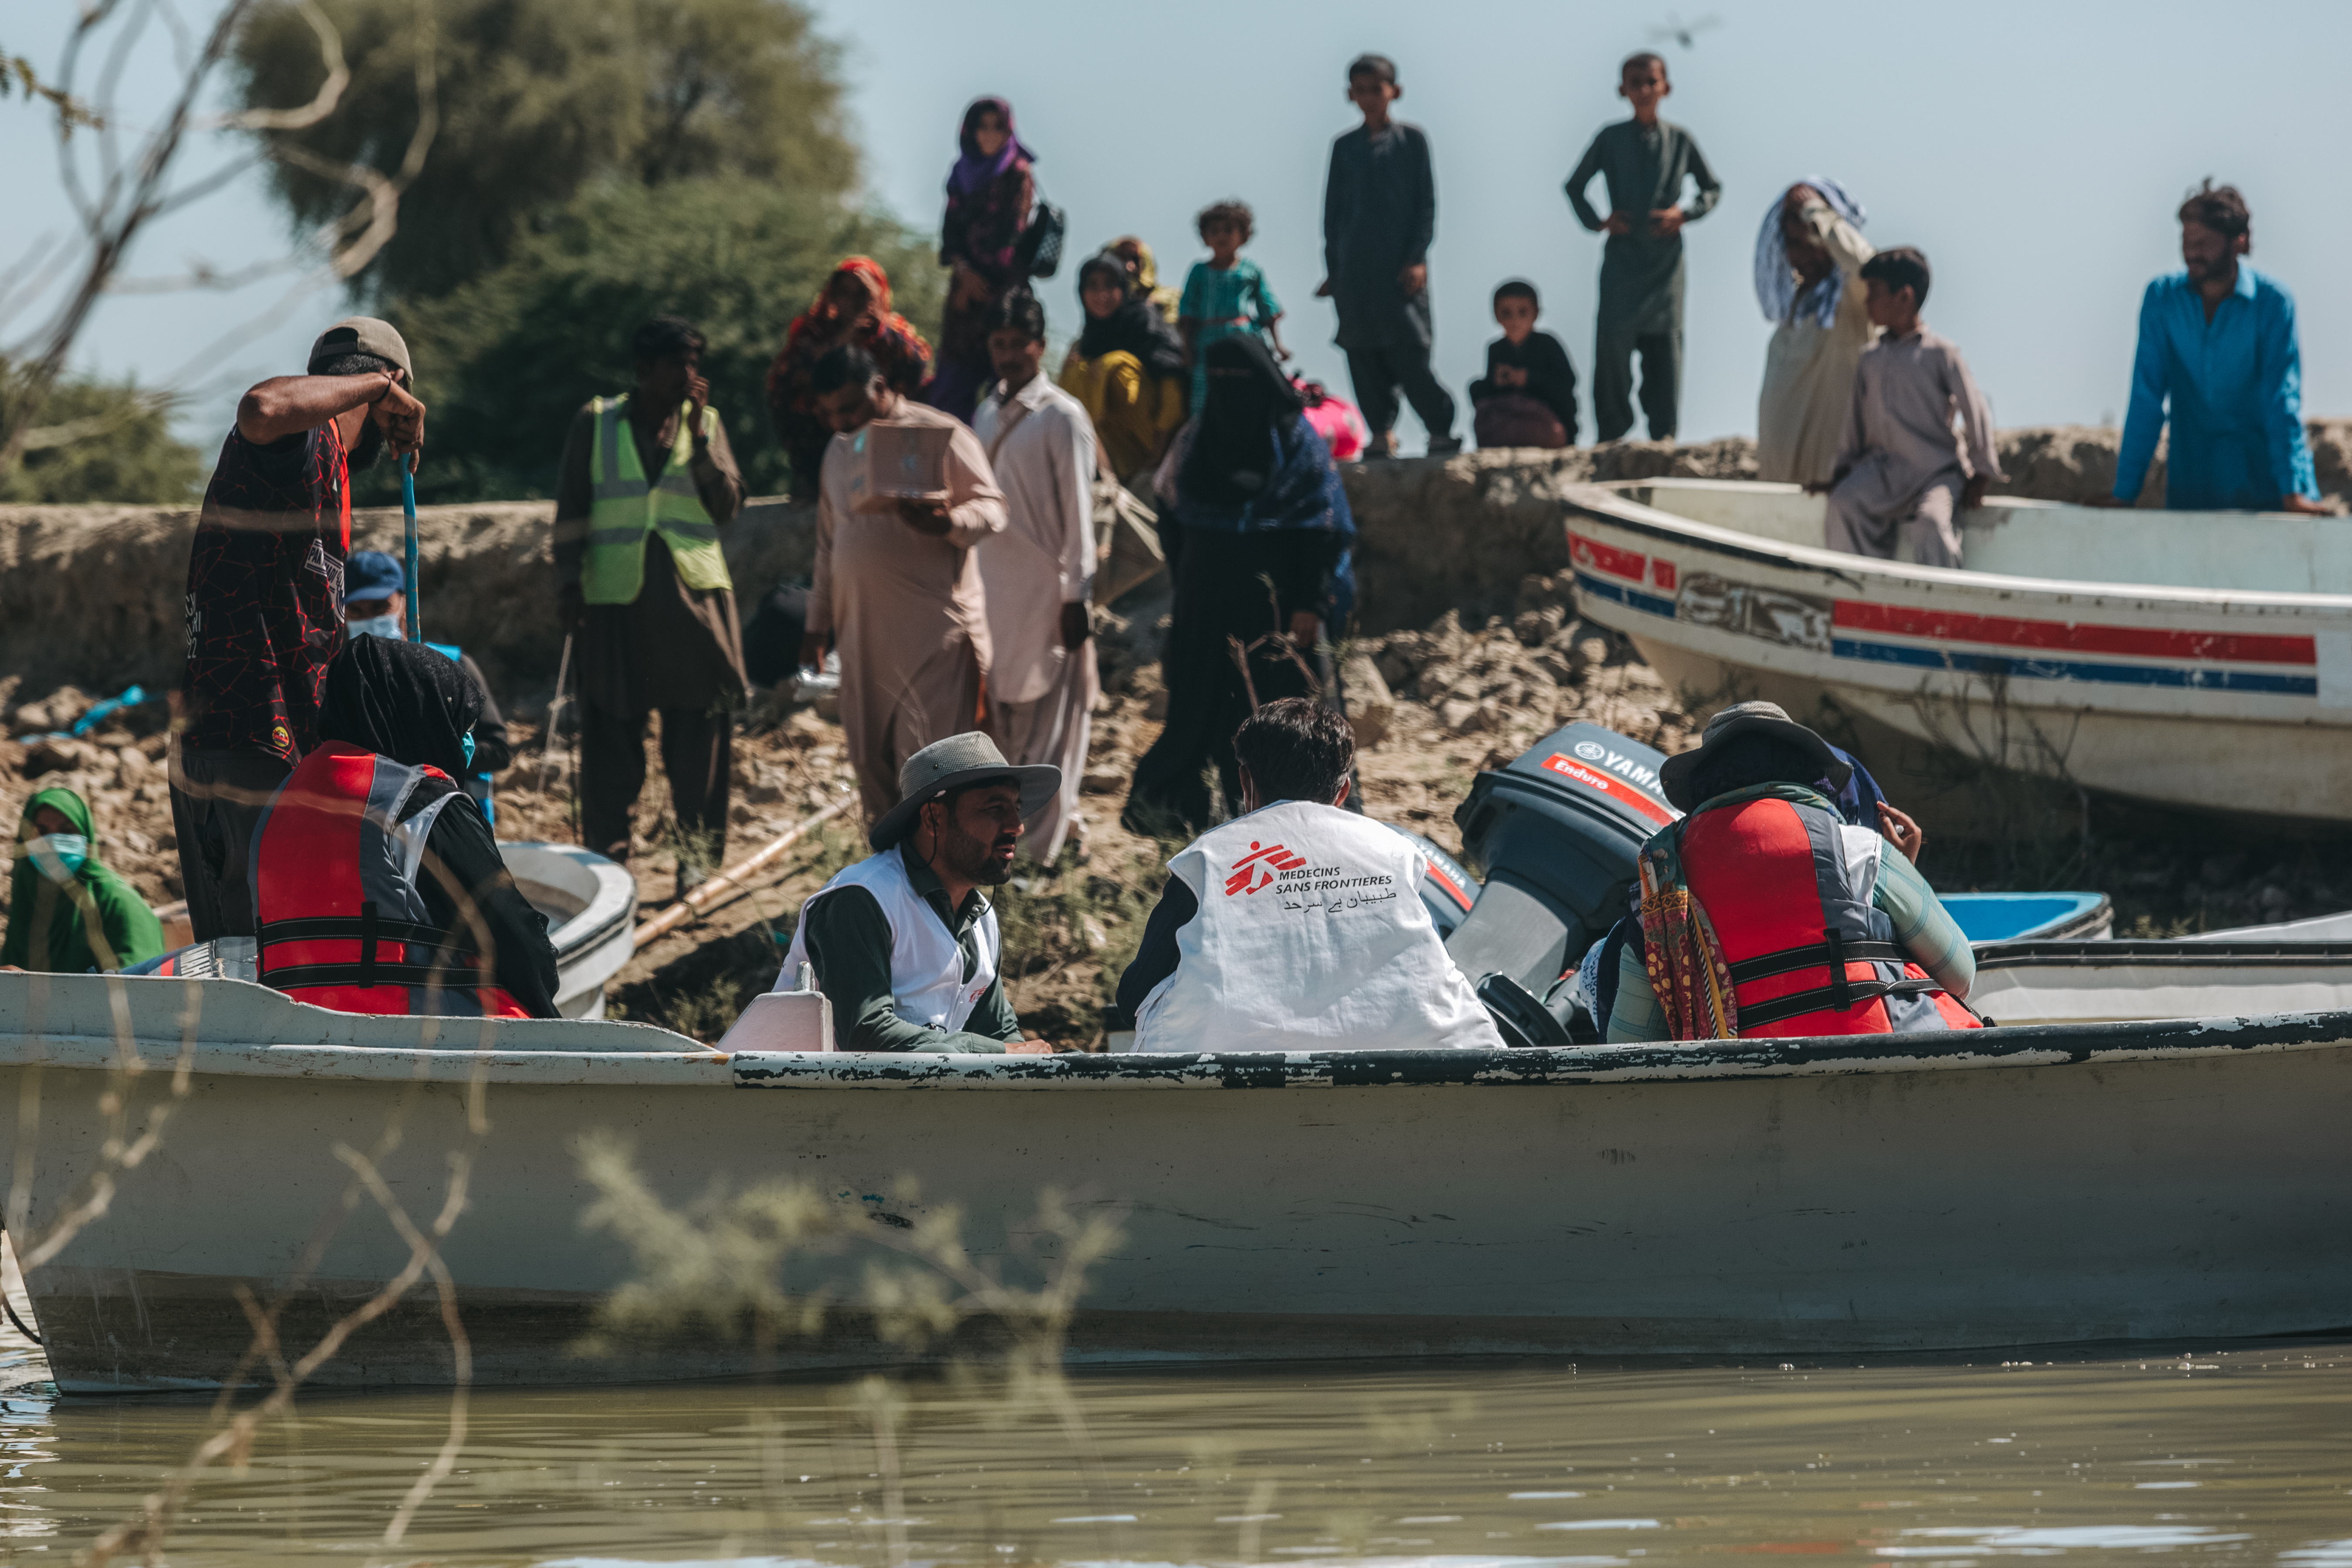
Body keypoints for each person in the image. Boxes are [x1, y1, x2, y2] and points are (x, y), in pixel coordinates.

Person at [173, 316, 426, 943]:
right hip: (251, 735)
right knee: (268, 947)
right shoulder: (303, 442)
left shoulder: (329, 469)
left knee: (242, 947)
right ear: (382, 388)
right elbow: (261, 407)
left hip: (241, 739)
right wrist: (375, 387)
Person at [1117, 699, 1500, 1052]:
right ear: (1343, 792)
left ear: (1246, 782)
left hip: (1229, 1090)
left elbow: (1136, 993)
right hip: (1417, 1071)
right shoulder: (1395, 850)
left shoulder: (1207, 858)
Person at [1606, 702, 1977, 1044]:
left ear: (1702, 784)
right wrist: (1901, 875)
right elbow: (1960, 974)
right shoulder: (1859, 848)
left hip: (1742, 1095)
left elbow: (1629, 1040)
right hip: (1882, 1072)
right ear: (1807, 770)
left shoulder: (1661, 879)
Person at [249, 636, 560, 1018]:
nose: (463, 741)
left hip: (300, 1037)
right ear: (419, 716)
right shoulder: (420, 802)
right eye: (457, 724)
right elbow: (517, 943)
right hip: (417, 1042)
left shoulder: (278, 805)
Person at [1123, 336, 1355, 835]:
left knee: (1287, 720)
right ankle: (1182, 820)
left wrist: (1312, 604)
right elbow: (1170, 508)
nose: (1230, 390)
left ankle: (1307, 825)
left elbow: (1325, 525)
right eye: (1219, 377)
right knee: (1200, 711)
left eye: (1240, 378)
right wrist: (1190, 576)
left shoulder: (1294, 441)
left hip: (1277, 615)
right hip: (1205, 609)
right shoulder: (1196, 439)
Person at [554, 315, 749, 897]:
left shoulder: (707, 425)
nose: (690, 376)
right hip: (615, 604)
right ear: (644, 372)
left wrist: (700, 439)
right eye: (676, 365)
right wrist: (568, 585)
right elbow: (572, 509)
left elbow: (729, 505)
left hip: (695, 606)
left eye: (695, 364)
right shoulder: (597, 423)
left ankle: (695, 861)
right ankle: (610, 871)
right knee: (611, 737)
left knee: (698, 740)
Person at [802, 343, 1009, 826]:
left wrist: (948, 522)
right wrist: (816, 624)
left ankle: (946, 890)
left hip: (933, 638)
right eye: (829, 412)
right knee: (872, 767)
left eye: (850, 407)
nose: (840, 421)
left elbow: (994, 510)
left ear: (881, 387)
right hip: (862, 640)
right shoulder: (837, 450)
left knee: (934, 774)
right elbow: (828, 545)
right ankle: (893, 891)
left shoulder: (938, 433)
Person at [777, 733, 1058, 1053]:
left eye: (1016, 808)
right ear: (933, 817)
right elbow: (866, 1035)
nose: (1016, 826)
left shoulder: (982, 918)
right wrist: (999, 1054)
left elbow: (998, 1030)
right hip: (783, 1100)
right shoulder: (859, 899)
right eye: (995, 809)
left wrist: (1031, 1060)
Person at [2105, 182, 2323, 514]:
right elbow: (2146, 399)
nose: (2192, 253)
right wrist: (2124, 493)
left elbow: (2281, 399)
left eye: (2203, 243)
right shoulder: (2162, 300)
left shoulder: (2273, 305)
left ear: (2239, 242)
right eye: (2186, 242)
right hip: (2194, 491)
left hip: (2270, 495)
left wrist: (2292, 491)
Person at [975, 292, 1099, 864]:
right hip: (995, 592)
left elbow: (1079, 512)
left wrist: (1078, 593)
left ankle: (1040, 854)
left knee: (1055, 724)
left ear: (1039, 346)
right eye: (997, 344)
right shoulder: (984, 414)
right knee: (1008, 722)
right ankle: (1042, 835)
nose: (1007, 356)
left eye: (1016, 345)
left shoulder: (1061, 415)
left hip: (1050, 592)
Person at [1564, 52, 1721, 443]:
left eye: (1651, 82)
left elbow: (1712, 188)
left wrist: (1685, 214)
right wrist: (1600, 221)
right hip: (1622, 258)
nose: (1645, 90)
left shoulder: (1680, 140)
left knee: (1666, 348)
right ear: (1623, 90)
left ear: (1666, 87)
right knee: (1614, 344)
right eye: (1636, 83)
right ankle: (1611, 435)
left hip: (1666, 262)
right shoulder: (1610, 138)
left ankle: (1663, 435)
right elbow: (1574, 186)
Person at [1814, 249, 2004, 568]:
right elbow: (1854, 423)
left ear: (1904, 297)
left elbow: (1975, 409)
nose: (1867, 302)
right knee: (1844, 504)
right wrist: (1841, 472)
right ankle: (1860, 593)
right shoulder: (1870, 359)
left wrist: (1981, 470)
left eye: (1875, 292)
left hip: (1935, 472)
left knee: (1932, 524)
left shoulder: (1941, 353)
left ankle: (1942, 606)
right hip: (1883, 472)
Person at [1317, 53, 1459, 458]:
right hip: (1355, 269)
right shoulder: (1343, 148)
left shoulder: (1412, 141)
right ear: (1350, 95)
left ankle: (1440, 429)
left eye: (1376, 89)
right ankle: (1379, 433)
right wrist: (1334, 269)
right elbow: (1332, 214)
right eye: (1360, 91)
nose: (1368, 98)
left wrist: (1417, 257)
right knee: (1362, 352)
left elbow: (1426, 204)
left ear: (1394, 91)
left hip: (1400, 269)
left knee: (1410, 349)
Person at [342, 548, 513, 822]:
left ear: (403, 603)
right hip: (380, 832)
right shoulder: (341, 682)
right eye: (356, 610)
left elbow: (498, 750)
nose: (370, 619)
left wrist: (435, 752)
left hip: (456, 825)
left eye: (380, 608)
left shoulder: (452, 666)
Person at [765, 257, 934, 501]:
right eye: (845, 293)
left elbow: (918, 369)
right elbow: (784, 378)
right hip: (823, 429)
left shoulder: (894, 334)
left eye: (863, 293)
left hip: (881, 425)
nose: (854, 301)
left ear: (879, 295)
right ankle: (811, 478)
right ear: (833, 296)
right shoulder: (814, 330)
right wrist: (839, 345)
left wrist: (882, 330)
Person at [1755, 179, 1875, 486]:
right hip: (1782, 490)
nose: (1806, 254)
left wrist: (1816, 213)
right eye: (1795, 244)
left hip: (1835, 488)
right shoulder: (1791, 314)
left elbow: (1866, 267)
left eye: (1815, 241)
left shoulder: (1852, 303)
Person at [933, 96, 1038, 422]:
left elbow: (1011, 235)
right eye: (983, 127)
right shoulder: (960, 174)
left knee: (1009, 390)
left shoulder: (1018, 174)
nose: (990, 134)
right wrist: (964, 274)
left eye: (998, 127)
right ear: (970, 132)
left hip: (1005, 293)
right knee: (950, 391)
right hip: (965, 296)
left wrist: (988, 287)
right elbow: (951, 233)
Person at [3, 789, 165, 974]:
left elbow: (145, 992)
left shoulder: (119, 903)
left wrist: (29, 988)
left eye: (67, 831)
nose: (53, 841)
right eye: (42, 831)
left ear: (86, 836)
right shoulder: (28, 903)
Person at [1060, 250, 1189, 483]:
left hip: (1156, 439)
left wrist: (1159, 453)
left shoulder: (1144, 319)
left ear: (1124, 287)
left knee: (1115, 364)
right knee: (1075, 369)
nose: (1101, 295)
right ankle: (1093, 461)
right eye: (1093, 286)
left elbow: (1173, 387)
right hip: (1113, 442)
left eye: (1110, 286)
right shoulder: (1091, 336)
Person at [1179, 200, 1288, 412]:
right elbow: (1188, 311)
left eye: (1229, 230)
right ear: (1205, 237)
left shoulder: (1251, 269)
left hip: (1244, 338)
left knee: (1247, 391)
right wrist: (1186, 347)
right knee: (1204, 394)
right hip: (1206, 341)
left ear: (1244, 235)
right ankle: (1204, 440)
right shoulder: (1199, 272)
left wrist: (1278, 345)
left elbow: (1267, 306)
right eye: (1215, 231)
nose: (1221, 236)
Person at [1468, 279, 1579, 449]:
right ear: (1496, 316)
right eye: (1507, 313)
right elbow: (1490, 394)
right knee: (1476, 389)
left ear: (1536, 314)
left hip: (1547, 420)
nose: (1515, 320)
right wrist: (1496, 383)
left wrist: (1527, 379)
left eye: (1522, 312)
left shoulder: (1547, 343)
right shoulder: (1496, 349)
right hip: (1511, 417)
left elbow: (1566, 383)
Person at [1108, 235, 1182, 325]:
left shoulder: (1172, 297)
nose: (1128, 266)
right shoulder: (1104, 308)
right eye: (1120, 260)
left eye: (1135, 259)